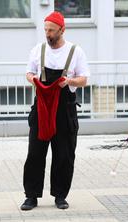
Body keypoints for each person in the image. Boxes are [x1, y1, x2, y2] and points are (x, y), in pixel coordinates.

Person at [21, 11, 90, 210]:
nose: (48, 34)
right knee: (35, 153)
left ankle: (60, 195)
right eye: (46, 30)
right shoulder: (38, 50)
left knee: (64, 154)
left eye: (51, 30)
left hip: (65, 110)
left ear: (62, 30)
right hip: (41, 109)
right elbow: (28, 72)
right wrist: (33, 79)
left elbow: (84, 79)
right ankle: (31, 196)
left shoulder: (75, 51)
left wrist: (69, 81)